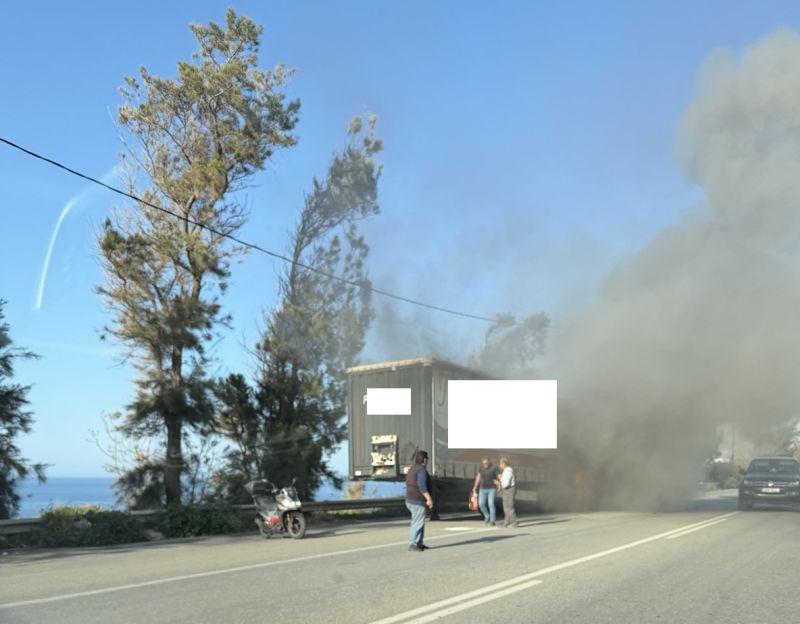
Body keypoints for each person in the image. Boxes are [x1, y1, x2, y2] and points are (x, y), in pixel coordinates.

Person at [405, 449, 434, 551]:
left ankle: (419, 543)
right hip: (417, 500)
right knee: (417, 522)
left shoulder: (412, 468)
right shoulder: (421, 471)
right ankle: (413, 544)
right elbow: (422, 486)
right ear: (424, 460)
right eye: (427, 459)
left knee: (418, 522)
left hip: (410, 499)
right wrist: (429, 499)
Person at [472, 456, 500, 526]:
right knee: (481, 504)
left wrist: (500, 483)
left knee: (491, 504)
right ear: (482, 463)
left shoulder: (494, 467)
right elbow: (478, 477)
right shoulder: (481, 468)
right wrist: (475, 486)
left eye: (486, 463)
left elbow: (499, 476)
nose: (485, 465)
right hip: (482, 489)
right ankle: (487, 516)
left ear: (489, 461)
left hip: (492, 489)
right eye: (484, 463)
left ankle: (492, 521)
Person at [496, 456, 519, 527]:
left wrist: (499, 483)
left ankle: (514, 522)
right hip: (508, 490)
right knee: (506, 506)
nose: (499, 465)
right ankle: (506, 523)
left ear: (504, 463)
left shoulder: (507, 471)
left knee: (508, 506)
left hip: (508, 490)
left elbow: (505, 484)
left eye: (500, 463)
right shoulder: (507, 471)